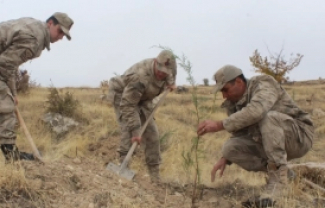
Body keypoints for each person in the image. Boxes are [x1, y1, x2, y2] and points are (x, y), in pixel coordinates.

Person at [0, 12, 74, 168]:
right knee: (4, 107)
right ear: (50, 23)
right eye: (60, 32)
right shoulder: (35, 38)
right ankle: (11, 155)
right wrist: (11, 92)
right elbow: (6, 64)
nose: (60, 37)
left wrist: (12, 92)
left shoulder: (31, 24)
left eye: (64, 35)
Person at [197, 65, 313, 206]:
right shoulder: (233, 104)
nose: (224, 96)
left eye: (225, 90)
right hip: (268, 142)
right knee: (229, 148)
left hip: (299, 136)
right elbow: (240, 134)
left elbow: (256, 111)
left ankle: (278, 183)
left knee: (268, 118)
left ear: (239, 82)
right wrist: (225, 158)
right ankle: (286, 175)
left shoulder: (264, 83)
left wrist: (218, 125)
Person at [108, 50, 177, 183]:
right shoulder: (141, 76)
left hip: (144, 99)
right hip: (123, 96)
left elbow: (172, 72)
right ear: (155, 62)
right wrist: (135, 131)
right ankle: (123, 169)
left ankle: (155, 177)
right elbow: (128, 106)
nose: (161, 73)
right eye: (159, 69)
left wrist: (171, 82)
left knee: (152, 134)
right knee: (128, 131)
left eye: (165, 72)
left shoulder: (169, 70)